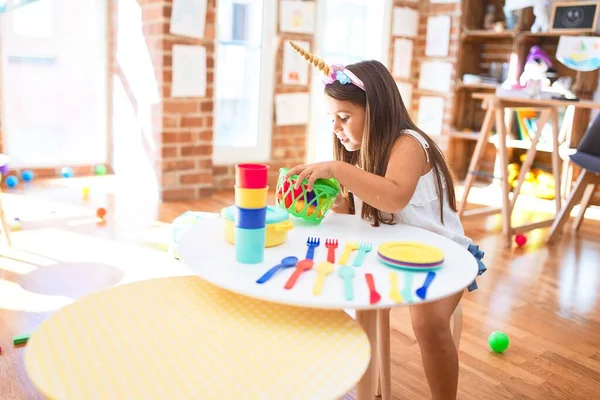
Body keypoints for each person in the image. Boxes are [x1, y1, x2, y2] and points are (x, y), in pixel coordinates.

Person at [284, 41, 486, 400]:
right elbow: (366, 209)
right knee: (334, 291)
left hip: (442, 257)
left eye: (344, 117)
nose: (336, 127)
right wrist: (326, 201)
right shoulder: (361, 153)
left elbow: (393, 196)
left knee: (426, 323)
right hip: (389, 251)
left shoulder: (408, 144)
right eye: (332, 119)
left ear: (374, 109)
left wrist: (337, 169)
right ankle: (361, 386)